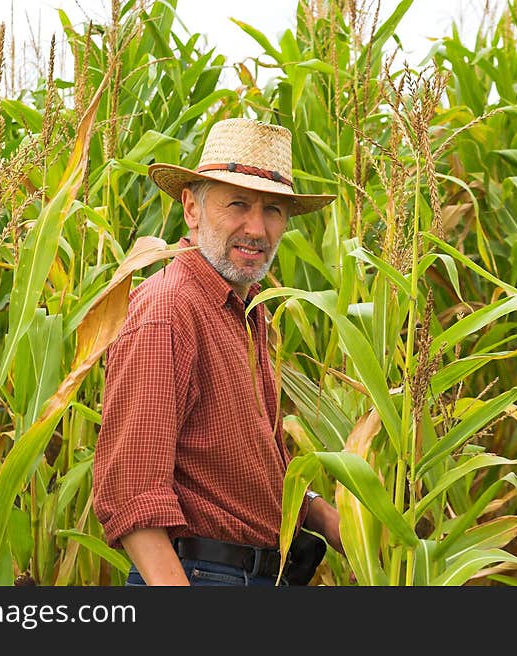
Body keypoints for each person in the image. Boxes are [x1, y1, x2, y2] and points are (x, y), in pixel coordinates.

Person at [92, 117, 343, 586]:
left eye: (273, 210)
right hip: (201, 576)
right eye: (238, 205)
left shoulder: (248, 310)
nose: (257, 228)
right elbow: (132, 492)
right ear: (192, 207)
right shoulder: (169, 311)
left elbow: (251, 465)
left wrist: (326, 518)